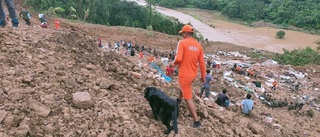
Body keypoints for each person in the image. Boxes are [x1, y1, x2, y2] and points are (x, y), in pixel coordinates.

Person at [173, 24, 206, 128]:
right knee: (184, 88)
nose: (182, 35)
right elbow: (202, 63)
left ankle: (196, 121)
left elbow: (178, 59)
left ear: (186, 33)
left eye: (183, 33)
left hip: (184, 74)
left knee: (188, 98)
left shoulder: (182, 43)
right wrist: (203, 76)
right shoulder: (198, 46)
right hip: (193, 74)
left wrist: (172, 64)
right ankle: (178, 100)